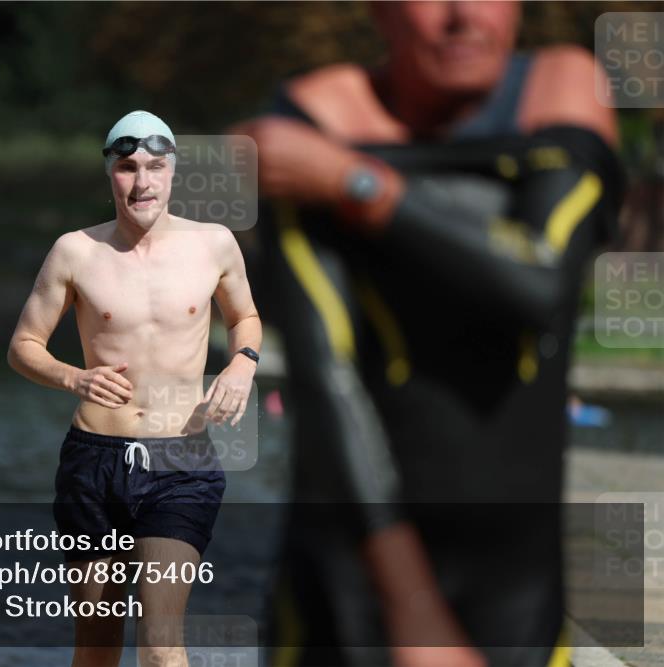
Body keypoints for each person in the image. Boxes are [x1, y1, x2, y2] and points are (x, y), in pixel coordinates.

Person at [235, 2, 623, 666]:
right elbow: (328, 380)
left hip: (519, 597)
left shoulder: (563, 85)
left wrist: (354, 182)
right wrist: (411, 607)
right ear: (378, 9)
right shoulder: (314, 114)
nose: (463, 16)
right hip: (351, 591)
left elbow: (538, 279)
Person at [8, 110, 262, 667]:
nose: (141, 181)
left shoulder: (214, 245)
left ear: (173, 172)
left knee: (159, 642)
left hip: (181, 462)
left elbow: (245, 317)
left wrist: (241, 365)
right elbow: (23, 346)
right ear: (110, 174)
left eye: (153, 166)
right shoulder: (75, 252)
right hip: (93, 462)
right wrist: (73, 376)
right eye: (127, 168)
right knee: (97, 646)